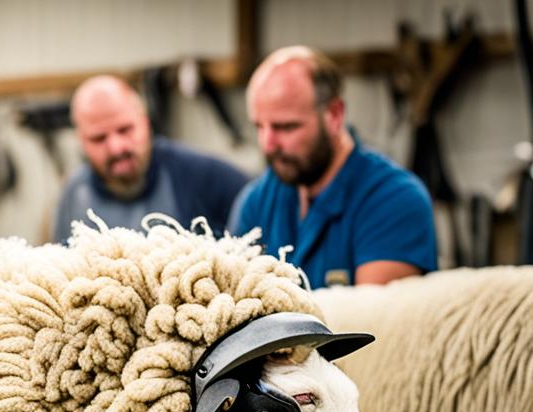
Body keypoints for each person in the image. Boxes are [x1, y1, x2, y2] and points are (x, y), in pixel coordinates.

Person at [231, 46, 436, 287]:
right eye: (259, 126)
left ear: (334, 115)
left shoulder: (394, 201)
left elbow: (378, 320)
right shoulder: (256, 203)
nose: (268, 144)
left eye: (286, 127)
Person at [52, 74, 248, 241]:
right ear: (81, 141)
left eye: (125, 129)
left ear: (145, 123)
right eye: (98, 138)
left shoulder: (201, 177)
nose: (116, 147)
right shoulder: (74, 196)